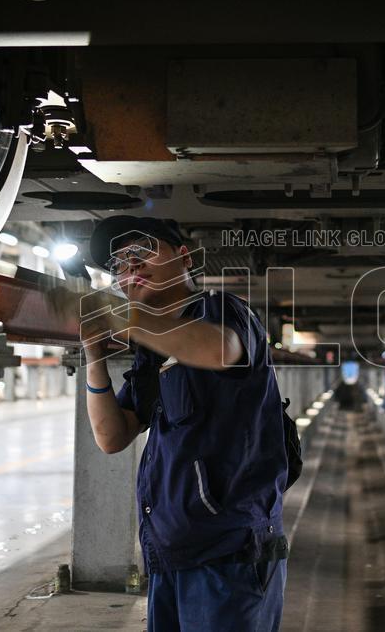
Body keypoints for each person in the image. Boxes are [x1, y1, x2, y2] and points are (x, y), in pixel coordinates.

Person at [80, 215, 289, 632]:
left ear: (183, 256)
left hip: (229, 554)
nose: (130, 266)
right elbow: (111, 436)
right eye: (119, 263)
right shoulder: (150, 352)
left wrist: (124, 318)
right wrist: (93, 358)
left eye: (141, 252)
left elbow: (219, 349)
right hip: (168, 554)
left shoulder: (223, 310)